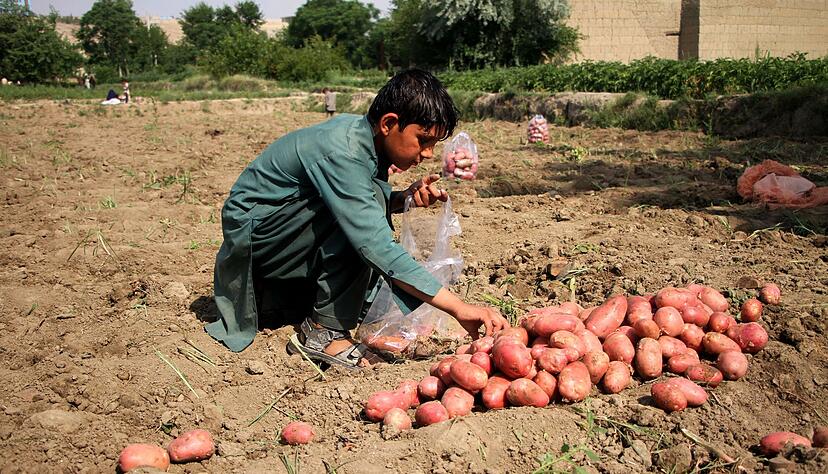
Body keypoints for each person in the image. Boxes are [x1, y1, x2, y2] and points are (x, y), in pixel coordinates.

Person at [207, 69, 507, 367]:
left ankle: (332, 307)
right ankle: (323, 332)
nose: (428, 154)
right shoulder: (345, 151)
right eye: (423, 140)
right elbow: (373, 242)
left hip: (281, 237)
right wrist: (459, 308)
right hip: (259, 246)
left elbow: (356, 197)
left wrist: (402, 199)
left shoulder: (364, 138)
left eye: (434, 144)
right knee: (365, 224)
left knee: (371, 205)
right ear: (389, 123)